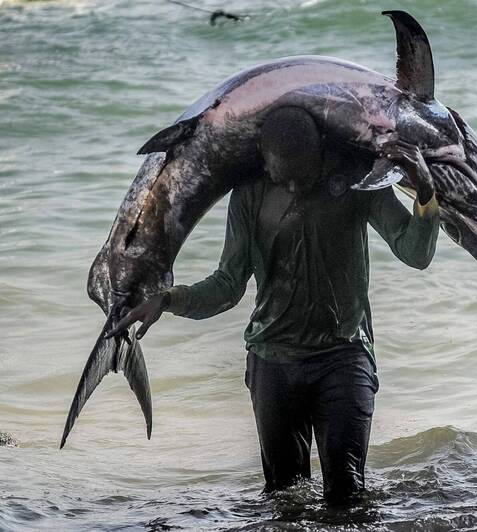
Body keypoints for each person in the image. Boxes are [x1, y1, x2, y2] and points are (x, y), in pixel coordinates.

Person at [107, 106, 440, 503]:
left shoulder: (354, 179)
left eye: (304, 176)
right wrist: (167, 299)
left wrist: (425, 193)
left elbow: (415, 252)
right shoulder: (248, 194)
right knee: (283, 496)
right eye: (285, 178)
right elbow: (227, 286)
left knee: (348, 492)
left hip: (344, 356)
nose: (296, 189)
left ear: (320, 151)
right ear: (265, 161)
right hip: (273, 363)